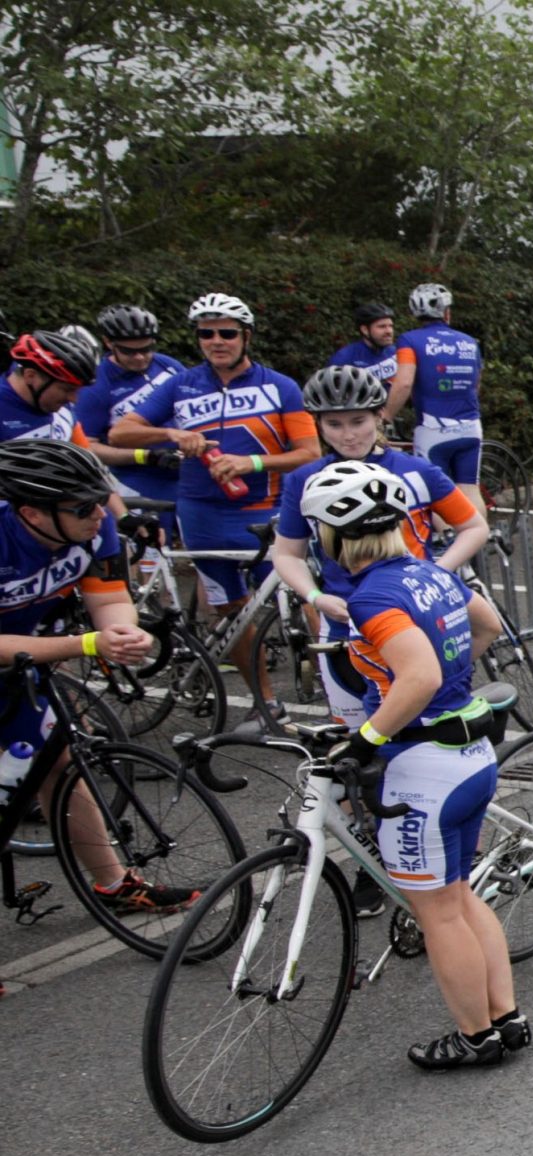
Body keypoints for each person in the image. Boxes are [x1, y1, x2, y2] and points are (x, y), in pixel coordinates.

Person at [296, 460, 520, 1069]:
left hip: (423, 768)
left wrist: (366, 738)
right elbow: (487, 624)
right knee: (461, 897)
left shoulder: (368, 596)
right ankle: (505, 1018)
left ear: (335, 535)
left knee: (438, 911)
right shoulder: (428, 570)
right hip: (469, 757)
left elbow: (416, 675)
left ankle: (476, 1036)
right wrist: (453, 677)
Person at [0, 438, 197, 920]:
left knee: (59, 765)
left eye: (100, 499)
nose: (99, 514)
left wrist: (122, 632)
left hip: (22, 659)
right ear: (32, 512)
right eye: (82, 506)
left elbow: (108, 598)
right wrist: (84, 645)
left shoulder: (94, 525)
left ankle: (114, 884)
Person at [272, 363, 484, 785]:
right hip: (344, 626)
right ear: (319, 425)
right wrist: (314, 597)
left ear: (379, 417)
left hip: (414, 623)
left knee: (420, 752)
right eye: (334, 424)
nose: (348, 434)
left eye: (359, 421)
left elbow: (474, 526)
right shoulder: (304, 480)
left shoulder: (418, 471)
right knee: (351, 757)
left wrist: (434, 574)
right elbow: (286, 554)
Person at [108, 294, 320, 611]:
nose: (216, 341)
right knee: (229, 608)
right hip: (201, 514)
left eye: (227, 333)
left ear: (246, 336)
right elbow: (119, 433)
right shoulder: (180, 385)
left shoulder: (280, 386)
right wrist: (171, 433)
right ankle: (245, 663)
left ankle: (312, 662)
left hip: (264, 511)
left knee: (295, 599)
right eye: (206, 333)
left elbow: (310, 454)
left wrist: (252, 463)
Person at [74, 306, 184, 512]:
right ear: (108, 342)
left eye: (146, 348)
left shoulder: (168, 365)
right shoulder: (96, 384)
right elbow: (87, 448)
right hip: (136, 481)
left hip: (185, 477)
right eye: (129, 351)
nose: (140, 357)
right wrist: (144, 456)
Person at [389, 283, 487, 510]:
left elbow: (403, 383)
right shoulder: (470, 342)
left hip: (433, 429)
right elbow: (476, 385)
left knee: (438, 494)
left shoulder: (409, 341)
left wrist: (384, 416)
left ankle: (450, 545)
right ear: (446, 312)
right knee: (470, 489)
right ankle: (479, 542)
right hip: (471, 425)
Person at [2, 331, 97, 443]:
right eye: (67, 389)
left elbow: (84, 451)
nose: (74, 399)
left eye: (76, 390)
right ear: (30, 376)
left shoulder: (60, 405)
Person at [326, 302, 401, 393]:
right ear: (365, 330)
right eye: (382, 327)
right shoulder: (344, 358)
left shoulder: (396, 352)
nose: (389, 331)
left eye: (390, 326)